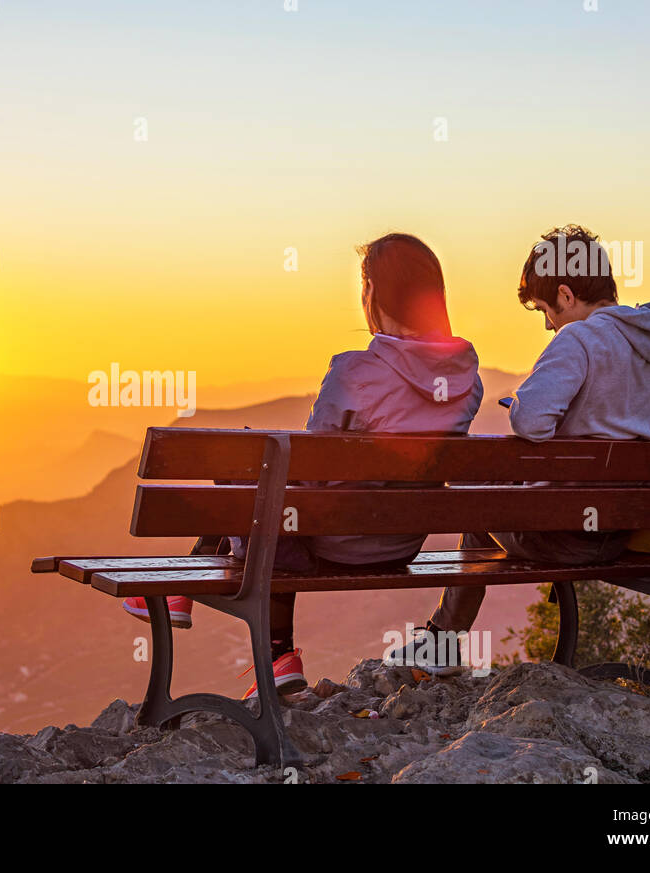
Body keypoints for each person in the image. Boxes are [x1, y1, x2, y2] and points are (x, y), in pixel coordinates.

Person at [121, 233, 484, 697]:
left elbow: (309, 476)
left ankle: (270, 650)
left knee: (259, 473)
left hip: (336, 543)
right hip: (402, 544)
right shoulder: (466, 380)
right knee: (273, 486)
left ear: (371, 292)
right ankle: (198, 600)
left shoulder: (355, 372)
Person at [393, 224, 650, 675]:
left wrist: (523, 402)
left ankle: (441, 644)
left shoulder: (580, 339)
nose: (548, 324)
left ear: (567, 295)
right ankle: (442, 643)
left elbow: (531, 422)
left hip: (569, 536)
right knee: (493, 502)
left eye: (544, 310)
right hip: (628, 534)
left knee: (477, 506)